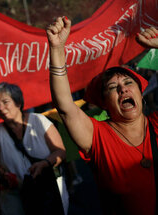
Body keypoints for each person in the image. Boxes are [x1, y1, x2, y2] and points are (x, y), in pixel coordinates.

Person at [47, 16, 158, 214]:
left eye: (128, 83)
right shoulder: (98, 136)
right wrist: (56, 49)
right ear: (104, 105)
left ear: (141, 94)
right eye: (113, 87)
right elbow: (65, 106)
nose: (122, 90)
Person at [0, 82, 68, 215]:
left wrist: (44, 164)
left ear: (18, 102)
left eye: (5, 102)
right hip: (15, 194)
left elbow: (60, 151)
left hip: (47, 189)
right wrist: (9, 178)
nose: (0, 108)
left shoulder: (39, 121)